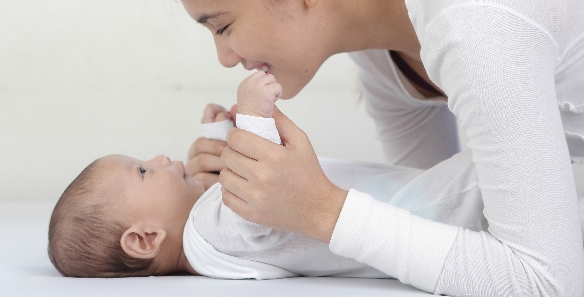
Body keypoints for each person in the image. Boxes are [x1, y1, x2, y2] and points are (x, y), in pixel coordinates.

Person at [159, 0, 584, 295]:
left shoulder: (474, 18)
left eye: (223, 26)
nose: (225, 57)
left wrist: (320, 209)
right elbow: (438, 209)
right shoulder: (382, 30)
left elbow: (543, 281)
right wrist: (249, 199)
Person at [47, 72, 488, 278]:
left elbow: (231, 191)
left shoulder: (208, 233)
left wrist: (218, 133)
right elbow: (256, 206)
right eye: (142, 170)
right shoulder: (210, 235)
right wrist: (255, 115)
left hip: (413, 204)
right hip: (424, 213)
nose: (160, 158)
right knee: (488, 177)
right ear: (145, 239)